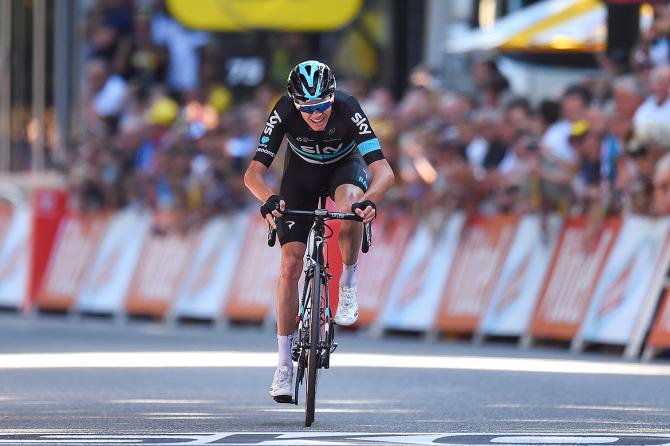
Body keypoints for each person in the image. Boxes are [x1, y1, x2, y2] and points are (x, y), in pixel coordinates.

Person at [243, 60, 395, 403]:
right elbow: (252, 174)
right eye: (308, 108)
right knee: (290, 265)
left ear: (332, 96)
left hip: (344, 169)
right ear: (296, 103)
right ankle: (283, 364)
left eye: (323, 105)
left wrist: (368, 202)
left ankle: (349, 283)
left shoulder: (347, 107)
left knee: (351, 205)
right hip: (301, 176)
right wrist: (269, 200)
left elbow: (384, 172)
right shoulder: (282, 111)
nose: (317, 114)